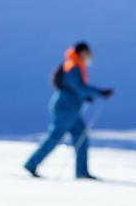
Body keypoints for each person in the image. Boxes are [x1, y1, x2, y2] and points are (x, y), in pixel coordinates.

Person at [24, 42, 114, 179]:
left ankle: (82, 172)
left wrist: (87, 96)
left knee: (81, 138)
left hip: (72, 110)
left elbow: (75, 89)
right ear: (82, 52)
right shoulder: (72, 66)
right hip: (65, 109)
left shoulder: (75, 65)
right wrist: (99, 93)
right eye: (88, 52)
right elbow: (78, 87)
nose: (90, 56)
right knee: (54, 138)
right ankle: (31, 164)